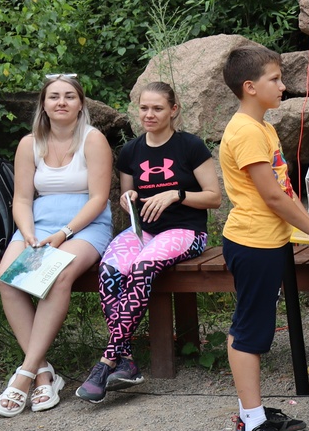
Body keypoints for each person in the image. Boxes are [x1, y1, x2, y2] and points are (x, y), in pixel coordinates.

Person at [219, 45, 309, 431]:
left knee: (251, 327)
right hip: (252, 242)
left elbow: (285, 191)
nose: (283, 85)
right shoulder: (244, 131)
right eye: (275, 79)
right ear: (250, 86)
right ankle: (251, 428)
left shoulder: (263, 127)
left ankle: (252, 412)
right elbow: (272, 198)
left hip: (269, 241)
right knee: (249, 333)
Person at [75, 83, 222, 404]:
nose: (149, 114)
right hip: (144, 232)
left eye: (157, 108)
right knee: (110, 270)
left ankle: (108, 360)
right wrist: (129, 199)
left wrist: (177, 194)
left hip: (186, 232)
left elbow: (215, 197)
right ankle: (125, 360)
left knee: (143, 267)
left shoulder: (190, 146)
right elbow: (129, 201)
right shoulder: (131, 152)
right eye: (144, 108)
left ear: (174, 110)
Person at [0, 74, 113, 417]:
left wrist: (63, 234)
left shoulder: (93, 140)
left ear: (80, 104)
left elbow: (99, 198)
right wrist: (28, 233)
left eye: (69, 96)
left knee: (56, 273)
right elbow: (22, 199)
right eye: (54, 97)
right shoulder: (29, 144)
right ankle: (44, 372)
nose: (61, 102)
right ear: (43, 105)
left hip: (83, 225)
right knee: (7, 276)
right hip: (38, 226)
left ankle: (25, 375)